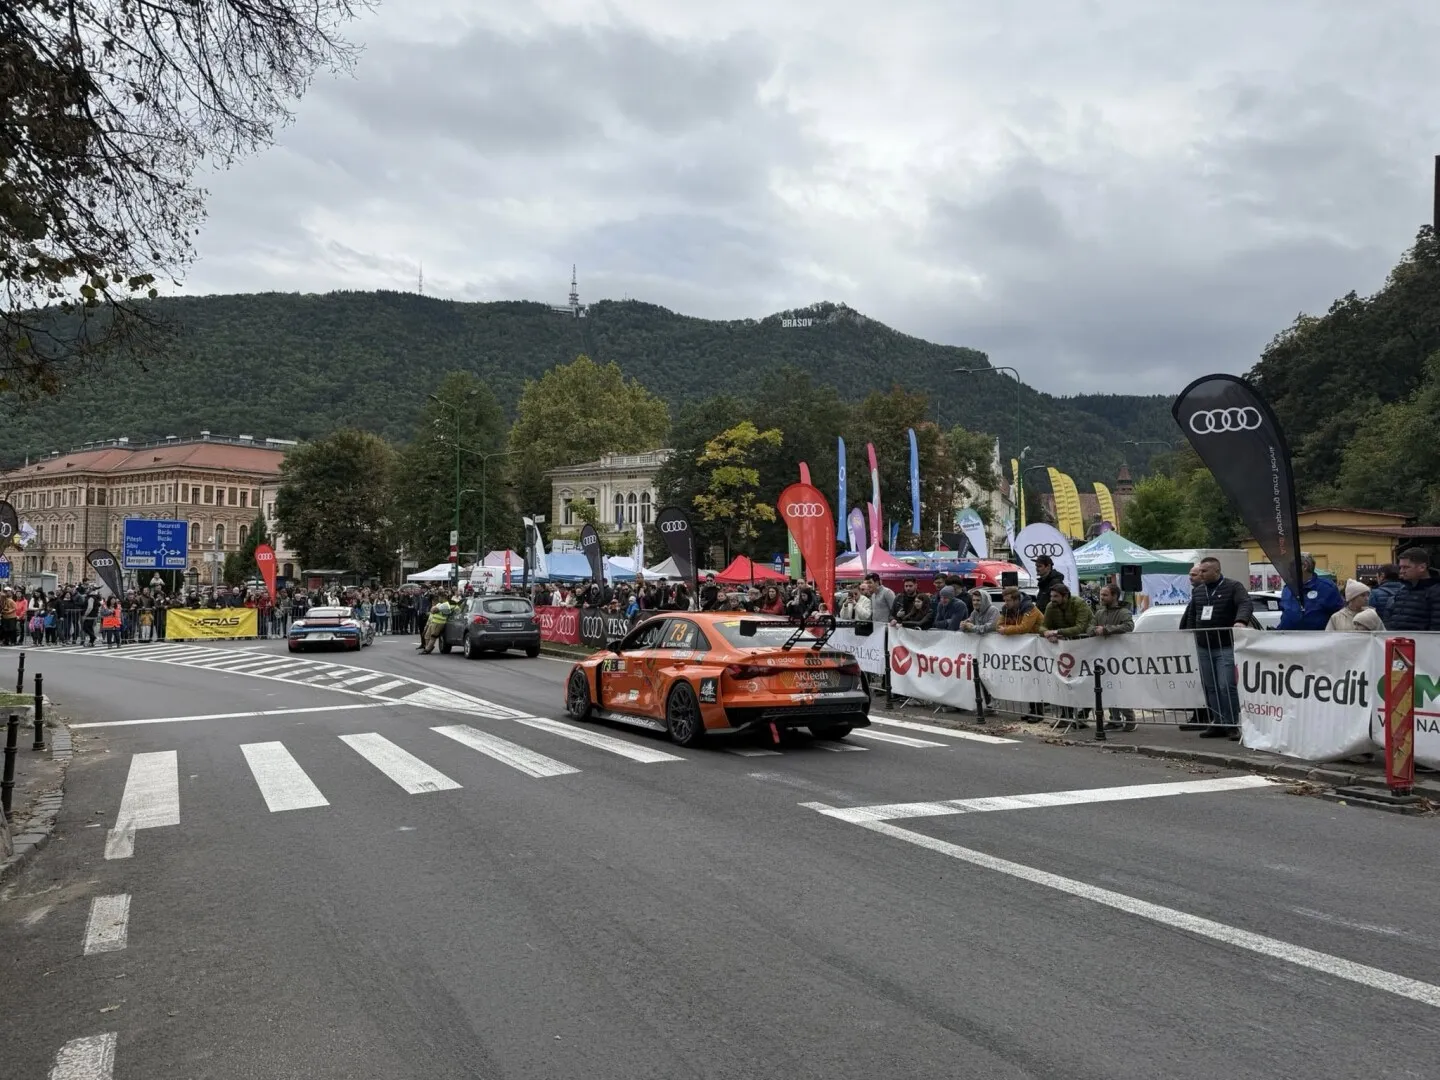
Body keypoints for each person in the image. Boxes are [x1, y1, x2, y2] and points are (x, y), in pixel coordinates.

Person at [1180, 556, 1252, 739]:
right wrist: (1189, 634)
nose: (1200, 574)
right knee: (1209, 686)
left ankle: (1232, 723)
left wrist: (1240, 621)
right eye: (1200, 571)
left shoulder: (1233, 586)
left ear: (1216, 571)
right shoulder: (1198, 592)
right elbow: (1192, 614)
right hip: (1203, 645)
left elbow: (1245, 603)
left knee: (1225, 685)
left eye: (1204, 571)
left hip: (1224, 645)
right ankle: (1218, 722)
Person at [1089, 583, 1137, 731]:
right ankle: (1114, 719)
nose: (1101, 598)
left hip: (1119, 656)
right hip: (1102, 655)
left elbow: (1129, 626)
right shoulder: (1099, 613)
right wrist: (1094, 630)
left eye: (1105, 595)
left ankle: (1130, 719)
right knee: (1106, 688)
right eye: (1101, 595)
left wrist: (1107, 629)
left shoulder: (1123, 612)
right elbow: (1089, 627)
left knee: (1119, 688)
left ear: (1114, 596)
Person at [1278, 553, 1343, 630]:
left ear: (1304, 566)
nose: (1288, 569)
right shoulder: (1287, 589)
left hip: (1317, 640)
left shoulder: (1326, 588)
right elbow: (1285, 615)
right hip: (1287, 639)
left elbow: (1339, 617)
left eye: (1292, 565)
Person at [1384, 547, 1440, 632]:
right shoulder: (1402, 590)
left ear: (1422, 567)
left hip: (1422, 643)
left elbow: (1436, 626)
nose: (1401, 571)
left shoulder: (1436, 592)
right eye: (1401, 567)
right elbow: (1390, 618)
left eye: (1406, 567)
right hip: (1397, 642)